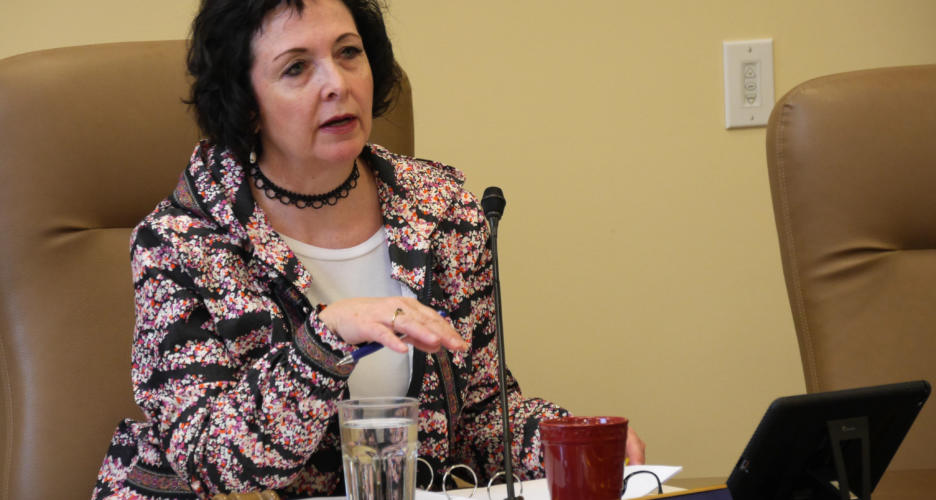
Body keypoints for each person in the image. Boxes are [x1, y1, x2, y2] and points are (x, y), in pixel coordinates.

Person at [92, 0, 643, 497]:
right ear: (247, 102)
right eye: (296, 67)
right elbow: (211, 459)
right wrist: (329, 334)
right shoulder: (180, 243)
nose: (337, 83)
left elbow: (477, 413)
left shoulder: (441, 209)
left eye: (349, 52)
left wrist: (562, 444)